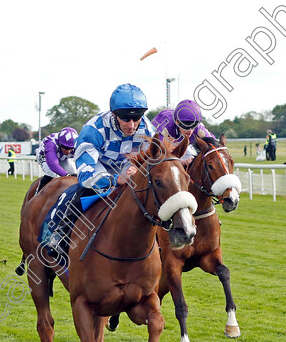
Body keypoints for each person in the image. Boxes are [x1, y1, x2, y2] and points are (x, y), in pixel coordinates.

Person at [45, 83, 154, 255]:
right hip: (98, 164)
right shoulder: (93, 129)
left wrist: (138, 172)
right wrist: (116, 180)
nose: (132, 125)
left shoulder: (147, 129)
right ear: (114, 114)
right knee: (82, 190)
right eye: (126, 119)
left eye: (137, 118)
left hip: (126, 163)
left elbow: (150, 161)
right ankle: (59, 234)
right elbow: (85, 175)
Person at [150, 100, 215, 166]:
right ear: (177, 121)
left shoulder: (199, 128)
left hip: (180, 142)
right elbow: (158, 154)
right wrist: (181, 162)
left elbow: (214, 146)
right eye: (186, 126)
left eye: (193, 126)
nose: (190, 131)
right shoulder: (166, 126)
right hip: (154, 140)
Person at [34, 127, 78, 193]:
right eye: (65, 148)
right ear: (60, 143)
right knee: (51, 174)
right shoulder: (51, 143)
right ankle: (37, 194)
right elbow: (53, 164)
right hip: (45, 156)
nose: (68, 151)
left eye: (70, 148)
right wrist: (66, 175)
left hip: (62, 157)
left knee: (74, 173)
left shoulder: (77, 144)